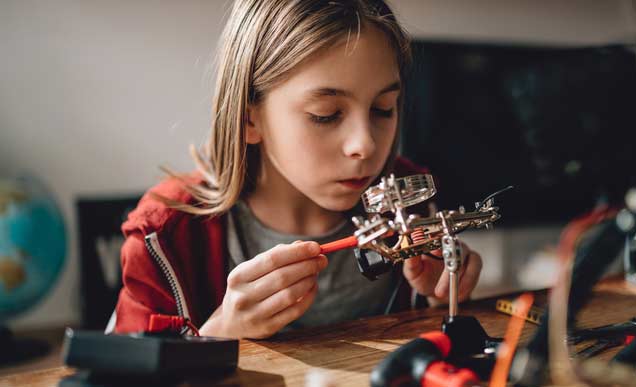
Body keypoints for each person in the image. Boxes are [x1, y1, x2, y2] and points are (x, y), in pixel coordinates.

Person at [114, 0, 483, 339]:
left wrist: (443, 300)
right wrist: (219, 334)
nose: (365, 145)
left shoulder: (412, 204)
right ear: (248, 118)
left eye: (383, 108)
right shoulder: (164, 237)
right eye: (325, 115)